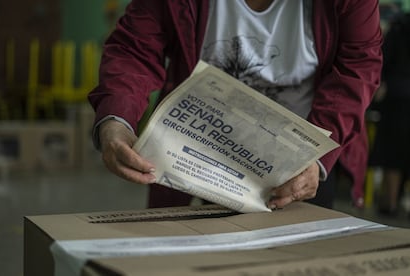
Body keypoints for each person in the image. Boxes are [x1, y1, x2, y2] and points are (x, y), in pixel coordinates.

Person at [88, 0, 383, 210]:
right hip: (195, 154)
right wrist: (116, 120)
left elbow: (358, 66)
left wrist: (315, 159)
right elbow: (134, 48)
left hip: (300, 163)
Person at [370, 12, 410, 215]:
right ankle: (393, 202)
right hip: (398, 97)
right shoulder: (398, 26)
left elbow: (382, 60)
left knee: (393, 153)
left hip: (397, 96)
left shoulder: (398, 26)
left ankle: (390, 202)